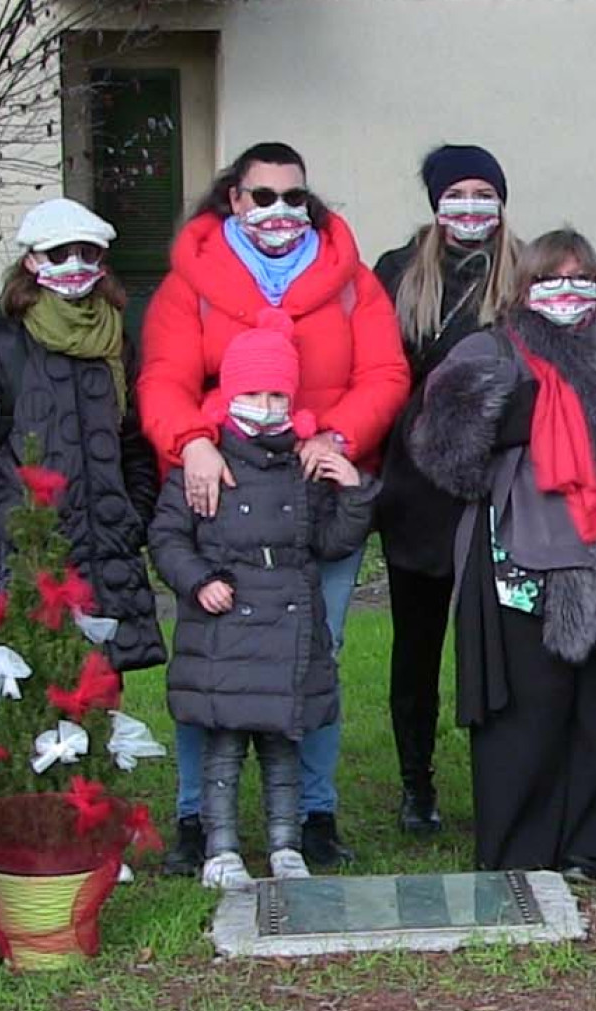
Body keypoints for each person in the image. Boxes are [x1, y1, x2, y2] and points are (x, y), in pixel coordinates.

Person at [409, 229, 596, 879]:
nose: (566, 292)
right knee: (527, 713)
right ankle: (518, 849)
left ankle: (587, 846)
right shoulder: (489, 351)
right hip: (519, 569)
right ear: (524, 290)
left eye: (581, 280)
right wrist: (523, 414)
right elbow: (443, 446)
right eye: (551, 280)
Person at [139, 141, 410, 874]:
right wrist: (193, 442)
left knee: (316, 656)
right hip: (221, 503)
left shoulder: (352, 283)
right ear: (235, 199)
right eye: (263, 196)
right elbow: (162, 378)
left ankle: (312, 815)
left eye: (294, 196)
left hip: (312, 500)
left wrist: (338, 437)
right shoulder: (190, 287)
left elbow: (384, 373)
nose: (280, 210)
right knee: (211, 661)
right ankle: (198, 819)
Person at [150, 310, 380, 889]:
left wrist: (353, 493)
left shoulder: (303, 466)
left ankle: (287, 844)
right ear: (230, 394)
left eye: (277, 395)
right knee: (222, 749)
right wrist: (199, 580)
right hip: (224, 627)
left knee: (284, 746)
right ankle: (220, 848)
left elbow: (329, 541)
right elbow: (168, 537)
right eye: (253, 394)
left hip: (290, 628)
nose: (266, 405)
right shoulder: (201, 465)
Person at [0, 197, 165, 672]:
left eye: (87, 252)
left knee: (103, 692)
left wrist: (134, 515)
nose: (74, 264)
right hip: (35, 556)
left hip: (108, 554)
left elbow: (133, 443)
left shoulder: (116, 342)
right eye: (59, 253)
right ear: (31, 261)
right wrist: (16, 521)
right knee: (38, 696)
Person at [372, 144, 521, 835]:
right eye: (455, 195)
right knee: (418, 645)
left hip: (502, 484)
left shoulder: (526, 271)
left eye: (483, 194)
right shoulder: (399, 272)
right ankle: (415, 784)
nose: (470, 208)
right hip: (418, 486)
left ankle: (505, 774)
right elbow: (378, 372)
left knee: (504, 642)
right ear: (435, 204)